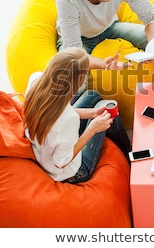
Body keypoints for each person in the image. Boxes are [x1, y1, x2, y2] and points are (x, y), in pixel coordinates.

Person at [23, 47, 132, 183]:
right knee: (108, 108)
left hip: (44, 147)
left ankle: (129, 153)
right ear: (77, 82)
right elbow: (61, 162)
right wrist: (92, 129)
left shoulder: (36, 80)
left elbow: (58, 113)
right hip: (70, 171)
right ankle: (131, 158)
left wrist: (92, 113)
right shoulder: (69, 120)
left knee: (93, 96)